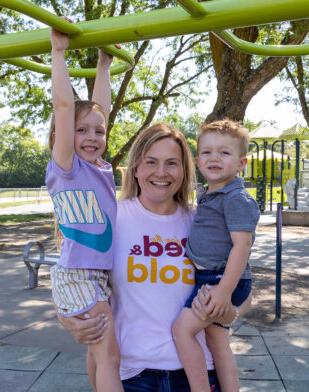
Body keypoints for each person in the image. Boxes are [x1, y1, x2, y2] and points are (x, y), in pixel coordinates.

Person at [58, 122, 252, 391]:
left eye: (172, 163)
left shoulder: (204, 220)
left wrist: (229, 313)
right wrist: (67, 319)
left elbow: (243, 285)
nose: (161, 172)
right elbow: (74, 278)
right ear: (136, 168)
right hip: (134, 374)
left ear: (185, 170)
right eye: (151, 162)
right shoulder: (110, 218)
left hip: (198, 374)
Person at [46, 27, 123, 392]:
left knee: (98, 355)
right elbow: (64, 106)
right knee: (109, 356)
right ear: (64, 136)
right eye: (81, 131)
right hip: (77, 273)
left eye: (99, 132)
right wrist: (58, 54)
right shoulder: (67, 166)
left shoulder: (99, 168)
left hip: (95, 274)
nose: (92, 137)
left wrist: (103, 66)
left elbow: (101, 110)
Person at [172, 119, 260, 392]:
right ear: (198, 161)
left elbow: (242, 247)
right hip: (212, 276)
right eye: (207, 152)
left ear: (241, 163)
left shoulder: (236, 199)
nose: (214, 158)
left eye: (224, 152)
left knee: (182, 330)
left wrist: (223, 291)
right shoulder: (210, 194)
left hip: (220, 279)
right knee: (218, 341)